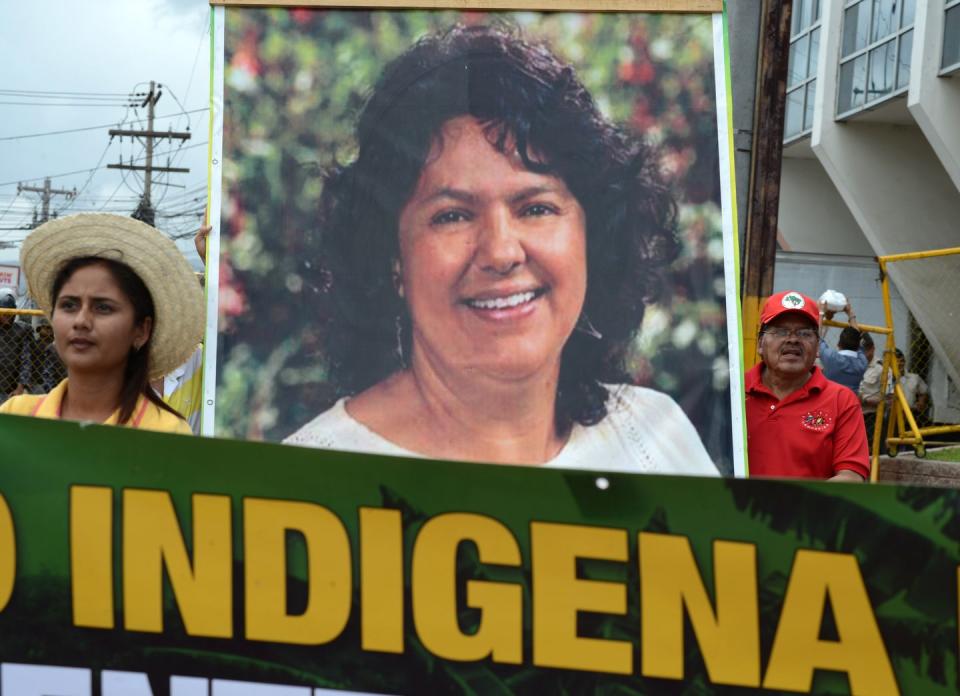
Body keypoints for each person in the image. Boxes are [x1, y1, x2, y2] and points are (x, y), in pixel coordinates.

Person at [285, 24, 718, 475]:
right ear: (392, 257)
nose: (501, 251)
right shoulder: (310, 479)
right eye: (452, 215)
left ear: (592, 236)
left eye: (535, 208)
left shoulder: (655, 437)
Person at [0, 213, 204, 434]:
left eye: (103, 307)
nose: (81, 321)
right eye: (69, 305)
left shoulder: (169, 433)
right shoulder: (15, 417)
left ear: (141, 330)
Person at [745, 290, 869, 481]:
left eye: (804, 333)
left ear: (818, 347)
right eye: (780, 331)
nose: (793, 339)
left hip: (807, 510)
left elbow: (851, 476)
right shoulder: (731, 392)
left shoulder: (841, 401)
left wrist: (795, 506)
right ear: (760, 343)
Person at [817, 299, 867, 392]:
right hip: (851, 402)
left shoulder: (831, 357)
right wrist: (850, 313)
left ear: (839, 344)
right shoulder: (862, 362)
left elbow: (817, 338)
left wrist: (821, 312)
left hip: (830, 400)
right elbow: (857, 337)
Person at [0, 290, 32, 403]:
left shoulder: (20, 331)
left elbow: (25, 360)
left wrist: (20, 387)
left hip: (10, 388)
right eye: (5, 313)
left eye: (10, 313)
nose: (8, 317)